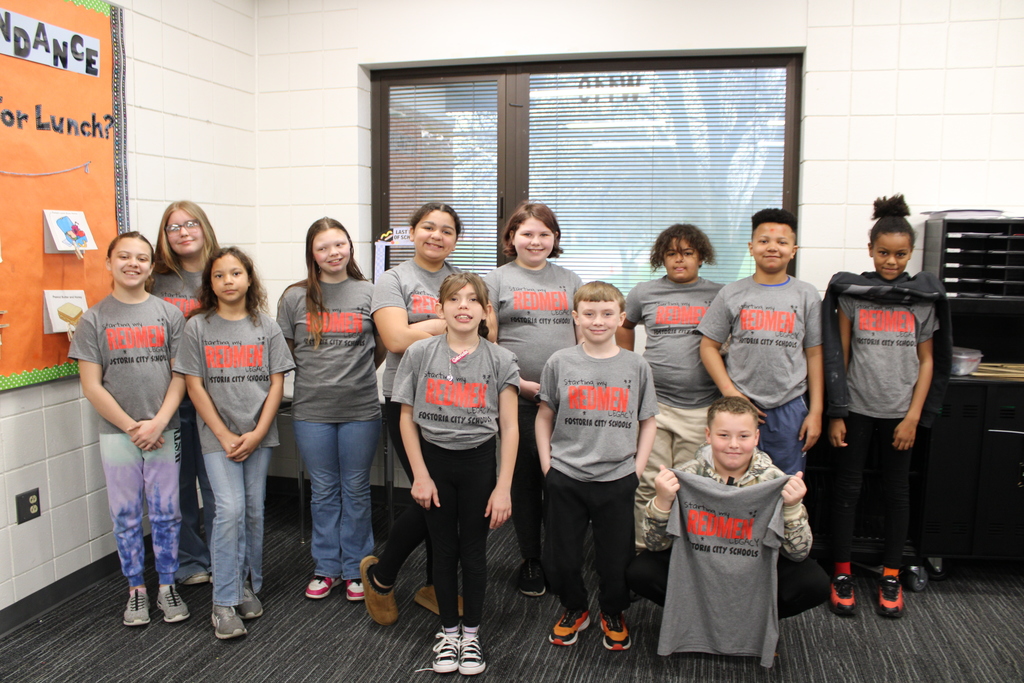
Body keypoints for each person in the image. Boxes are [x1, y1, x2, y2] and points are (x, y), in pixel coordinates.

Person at [822, 195, 952, 619]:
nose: (891, 261)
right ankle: (841, 573)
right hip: (857, 409)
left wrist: (914, 416)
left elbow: (929, 361)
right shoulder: (854, 295)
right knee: (847, 491)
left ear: (911, 253)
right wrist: (836, 412)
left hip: (901, 413)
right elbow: (838, 356)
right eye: (883, 253)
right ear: (870, 250)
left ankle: (891, 574)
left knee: (897, 493)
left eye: (900, 254)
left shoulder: (921, 299)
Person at [627, 396, 829, 666]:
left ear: (756, 437)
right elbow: (654, 545)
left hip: (752, 571)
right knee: (640, 572)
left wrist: (791, 508)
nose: (734, 444)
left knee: (814, 583)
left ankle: (757, 624)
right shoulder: (687, 476)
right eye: (724, 435)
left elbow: (799, 552)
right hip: (700, 567)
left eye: (743, 436)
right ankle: (695, 618)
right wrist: (662, 502)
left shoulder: (773, 480)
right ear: (708, 435)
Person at [392, 273, 519, 675]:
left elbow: (511, 429)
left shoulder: (500, 359)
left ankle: (472, 634)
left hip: (478, 464)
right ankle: (449, 632)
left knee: (474, 552)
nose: (463, 306)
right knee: (444, 551)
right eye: (454, 299)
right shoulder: (420, 354)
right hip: (434, 464)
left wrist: (503, 487)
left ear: (485, 311)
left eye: (472, 300)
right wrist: (419, 475)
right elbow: (407, 418)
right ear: (439, 308)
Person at [69, 232, 190, 626]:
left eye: (142, 257)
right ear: (109, 263)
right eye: (124, 256)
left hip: (164, 430)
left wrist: (156, 423)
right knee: (125, 514)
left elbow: (181, 376)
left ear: (151, 266)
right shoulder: (94, 319)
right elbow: (91, 385)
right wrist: (131, 426)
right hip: (117, 435)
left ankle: (167, 585)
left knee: (167, 512)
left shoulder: (168, 315)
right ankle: (136, 588)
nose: (133, 263)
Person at [176, 247, 295, 639]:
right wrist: (225, 434)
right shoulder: (198, 327)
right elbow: (194, 385)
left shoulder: (266, 326)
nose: (228, 281)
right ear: (209, 284)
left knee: (253, 512)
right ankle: (222, 601)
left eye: (235, 273)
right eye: (219, 275)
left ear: (248, 279)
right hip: (218, 438)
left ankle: (245, 583)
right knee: (228, 510)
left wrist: (259, 432)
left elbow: (277, 382)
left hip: (258, 434)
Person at [536, 281, 658, 651]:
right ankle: (575, 608)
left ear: (621, 317)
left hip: (617, 478)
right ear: (575, 317)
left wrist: (636, 470)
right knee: (562, 558)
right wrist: (547, 466)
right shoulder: (560, 362)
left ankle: (612, 610)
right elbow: (544, 415)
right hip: (566, 476)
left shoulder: (636, 366)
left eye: (607, 314)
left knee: (615, 559)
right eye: (589, 313)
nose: (598, 320)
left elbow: (648, 420)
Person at [362, 202, 462, 625]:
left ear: (456, 238)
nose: (436, 236)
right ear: (412, 231)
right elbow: (397, 339)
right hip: (408, 404)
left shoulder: (461, 280)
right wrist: (450, 322)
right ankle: (383, 577)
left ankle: (433, 585)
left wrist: (440, 324)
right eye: (428, 227)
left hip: (458, 406)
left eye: (446, 230)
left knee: (447, 499)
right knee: (435, 498)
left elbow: (485, 330)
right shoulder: (393, 279)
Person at [277, 218, 384, 602]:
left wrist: (351, 376)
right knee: (322, 491)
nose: (333, 253)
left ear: (350, 247)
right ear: (312, 255)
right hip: (311, 410)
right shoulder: (294, 297)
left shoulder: (371, 292)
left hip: (360, 408)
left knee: (356, 488)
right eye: (323, 247)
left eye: (339, 244)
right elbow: (288, 351)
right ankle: (326, 568)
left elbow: (381, 346)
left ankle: (357, 567)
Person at [484, 201, 582, 596]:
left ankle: (563, 555)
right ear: (512, 238)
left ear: (554, 239)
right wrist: (521, 384)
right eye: (527, 233)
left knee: (563, 480)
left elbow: (583, 336)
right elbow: (487, 342)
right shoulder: (496, 280)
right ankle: (531, 559)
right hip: (518, 397)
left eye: (544, 234)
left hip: (568, 400)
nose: (536, 240)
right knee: (526, 482)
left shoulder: (570, 280)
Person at [618, 223, 723, 550]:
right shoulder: (643, 292)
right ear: (661, 258)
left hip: (701, 406)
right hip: (654, 407)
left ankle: (686, 553)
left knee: (691, 484)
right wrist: (629, 364)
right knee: (649, 483)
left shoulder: (719, 294)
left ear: (701, 257)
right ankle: (645, 549)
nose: (680, 260)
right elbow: (626, 326)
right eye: (672, 254)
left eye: (688, 254)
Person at [698, 208, 824, 475]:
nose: (772, 248)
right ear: (751, 247)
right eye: (764, 241)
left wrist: (816, 412)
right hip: (739, 405)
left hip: (789, 406)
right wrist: (731, 392)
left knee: (785, 483)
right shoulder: (731, 293)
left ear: (794, 250)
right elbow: (708, 347)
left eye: (782, 242)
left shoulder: (807, 295)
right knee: (732, 479)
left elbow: (814, 354)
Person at [150, 200, 222, 587]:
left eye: (190, 223)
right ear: (164, 237)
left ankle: (222, 555)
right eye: (173, 227)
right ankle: (190, 560)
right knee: (177, 484)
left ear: (204, 227)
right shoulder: (154, 281)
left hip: (216, 397)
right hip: (170, 398)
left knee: (216, 483)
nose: (183, 232)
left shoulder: (222, 272)